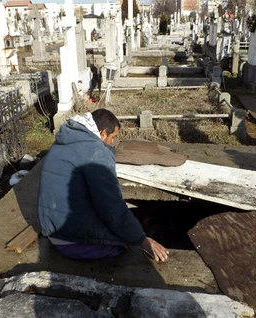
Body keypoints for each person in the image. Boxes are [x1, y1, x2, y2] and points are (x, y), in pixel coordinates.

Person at [38, 109, 169, 262]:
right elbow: (113, 209)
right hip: (72, 241)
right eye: (113, 137)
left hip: (52, 228)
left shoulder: (67, 138)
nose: (113, 143)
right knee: (125, 242)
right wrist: (142, 240)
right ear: (103, 133)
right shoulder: (97, 153)